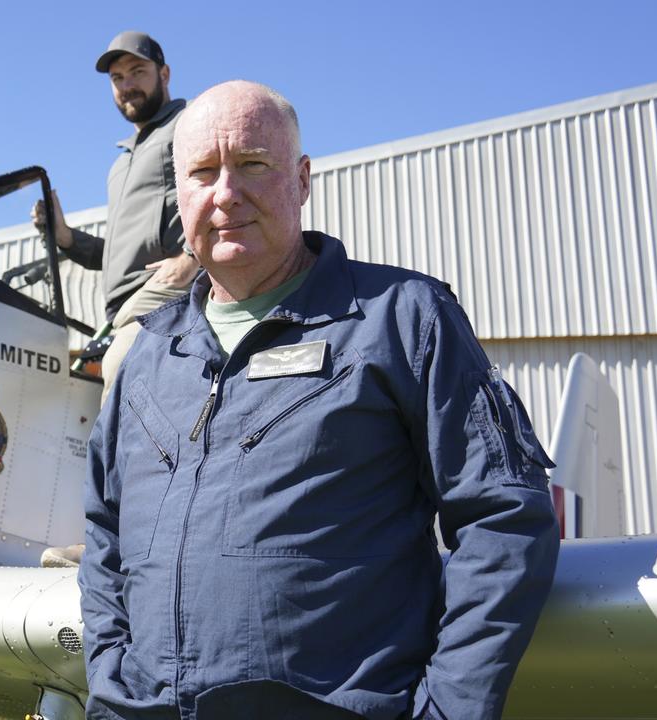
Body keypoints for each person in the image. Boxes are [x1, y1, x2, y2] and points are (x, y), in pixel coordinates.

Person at [78, 80, 560, 720]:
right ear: (180, 195)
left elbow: (504, 517)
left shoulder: (404, 320)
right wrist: (111, 687)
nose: (226, 194)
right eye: (202, 173)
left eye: (253, 165)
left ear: (302, 179)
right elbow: (103, 535)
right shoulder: (147, 355)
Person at [32, 31, 200, 396]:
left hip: (162, 297)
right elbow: (118, 254)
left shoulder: (187, 127)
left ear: (165, 74)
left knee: (121, 368)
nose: (127, 85)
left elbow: (221, 192)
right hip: (119, 313)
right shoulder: (120, 164)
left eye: (137, 72)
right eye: (117, 78)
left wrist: (191, 258)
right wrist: (65, 237)